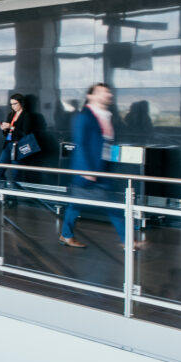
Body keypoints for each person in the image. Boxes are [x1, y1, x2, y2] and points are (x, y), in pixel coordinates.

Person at [59, 83, 143, 249]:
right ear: (90, 96)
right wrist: (86, 170)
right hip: (89, 170)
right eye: (102, 92)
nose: (108, 95)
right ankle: (128, 241)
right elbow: (80, 143)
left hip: (102, 169)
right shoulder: (84, 117)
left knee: (76, 205)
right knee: (113, 207)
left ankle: (66, 235)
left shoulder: (106, 116)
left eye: (108, 92)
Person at [0, 93, 34, 189]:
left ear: (21, 103)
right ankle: (3, 193)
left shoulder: (26, 115)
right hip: (8, 144)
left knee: (16, 174)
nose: (13, 106)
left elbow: (25, 132)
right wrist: (4, 129)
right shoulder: (10, 115)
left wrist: (11, 126)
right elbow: (8, 133)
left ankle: (14, 197)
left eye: (15, 103)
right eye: (11, 104)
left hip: (18, 146)